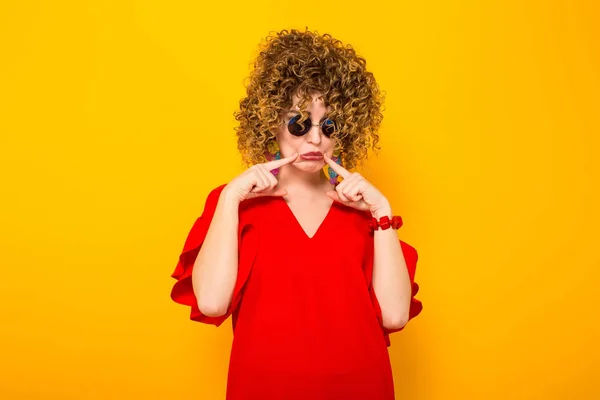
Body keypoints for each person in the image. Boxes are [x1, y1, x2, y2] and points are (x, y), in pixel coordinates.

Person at [169, 28, 423, 400]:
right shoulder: (236, 204)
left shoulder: (363, 212)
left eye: (329, 125)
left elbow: (395, 316)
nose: (316, 139)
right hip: (264, 388)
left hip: (359, 386)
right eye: (299, 123)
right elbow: (211, 302)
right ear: (271, 121)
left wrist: (382, 211)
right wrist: (230, 199)